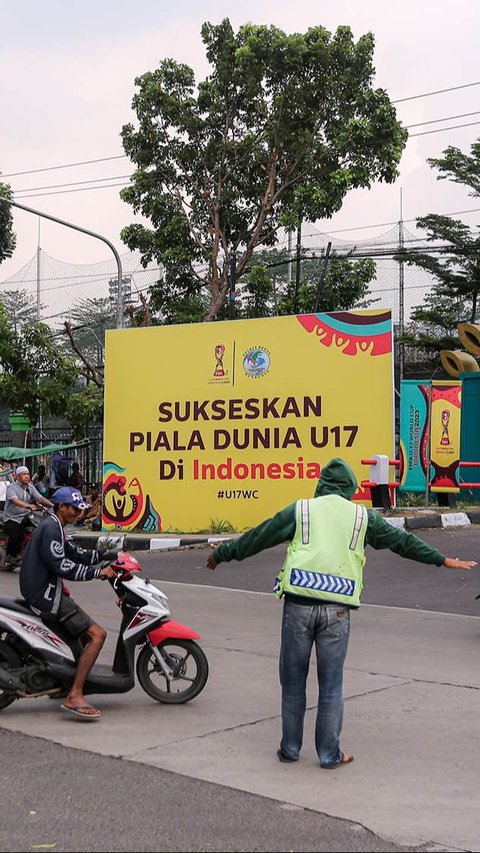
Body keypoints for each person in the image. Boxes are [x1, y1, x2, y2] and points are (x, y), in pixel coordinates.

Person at [206, 457, 477, 769]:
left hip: (299, 606)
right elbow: (402, 541)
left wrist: (224, 553)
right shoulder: (362, 517)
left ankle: (290, 749)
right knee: (331, 685)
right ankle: (329, 755)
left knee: (293, 682)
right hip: (338, 611)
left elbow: (260, 536)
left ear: (321, 484)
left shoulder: (303, 510)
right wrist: (441, 559)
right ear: (350, 487)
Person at [19, 486, 119, 720]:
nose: (77, 512)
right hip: (47, 596)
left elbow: (76, 553)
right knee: (97, 636)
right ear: (61, 507)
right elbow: (61, 565)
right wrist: (97, 573)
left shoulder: (56, 526)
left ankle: (67, 680)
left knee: (81, 638)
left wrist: (107, 554)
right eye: (73, 508)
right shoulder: (52, 528)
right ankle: (75, 694)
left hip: (46, 591)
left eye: (78, 508)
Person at [1, 465, 53, 571]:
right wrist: (27, 505)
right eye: (24, 474)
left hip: (26, 516)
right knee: (16, 535)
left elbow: (40, 498)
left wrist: (52, 505)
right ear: (18, 477)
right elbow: (14, 500)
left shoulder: (30, 487)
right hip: (13, 517)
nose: (27, 476)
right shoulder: (12, 487)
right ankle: (10, 557)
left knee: (37, 529)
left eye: (28, 474)